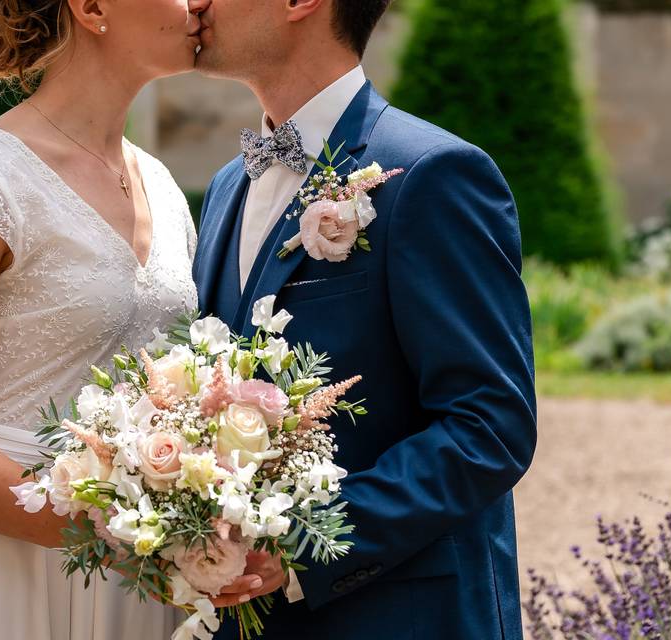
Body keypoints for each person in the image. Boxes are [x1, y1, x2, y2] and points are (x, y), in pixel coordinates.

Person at [0, 0, 262, 637]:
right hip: (8, 561)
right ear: (94, 8)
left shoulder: (160, 183)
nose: (197, 3)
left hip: (142, 581)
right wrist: (100, 528)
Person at [190, 0, 538, 637]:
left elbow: (490, 425)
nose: (195, 2)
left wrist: (302, 543)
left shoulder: (433, 174)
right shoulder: (224, 189)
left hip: (398, 614)